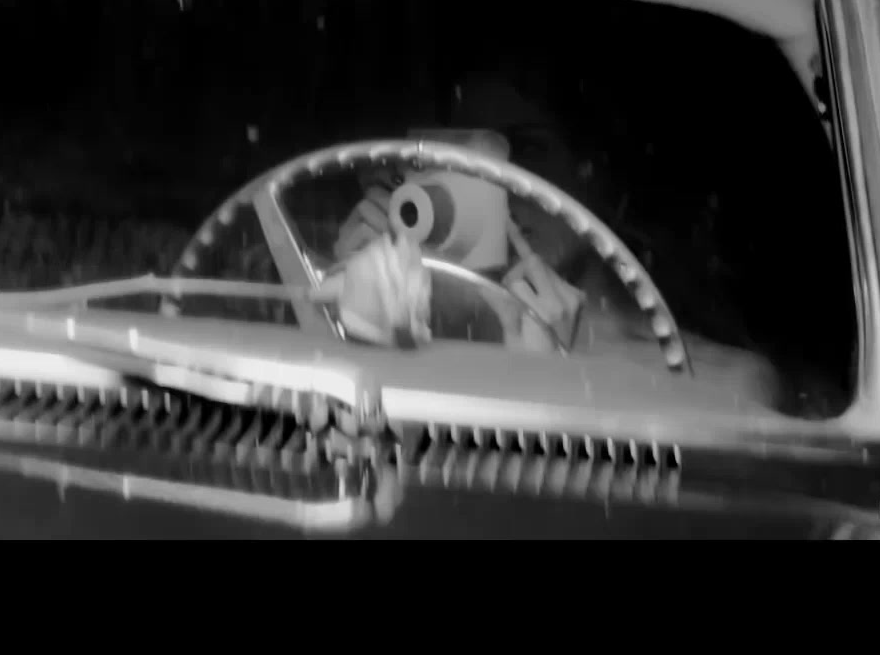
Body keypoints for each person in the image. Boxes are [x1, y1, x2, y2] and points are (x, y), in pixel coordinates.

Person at [330, 71, 788, 411]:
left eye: (527, 149)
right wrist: (349, 316)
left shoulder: (714, 382)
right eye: (469, 152)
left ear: (601, 171)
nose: (496, 179)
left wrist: (551, 383)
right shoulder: (428, 333)